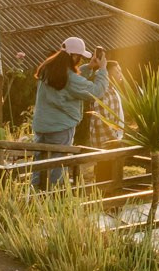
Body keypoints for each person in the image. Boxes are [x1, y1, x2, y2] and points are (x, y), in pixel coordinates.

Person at [30, 36, 106, 190]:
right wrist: (102, 70)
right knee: (58, 167)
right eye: (79, 57)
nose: (79, 61)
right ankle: (54, 200)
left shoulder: (48, 69)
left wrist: (89, 68)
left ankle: (34, 196)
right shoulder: (68, 78)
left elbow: (71, 81)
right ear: (74, 56)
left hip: (42, 127)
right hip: (61, 128)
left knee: (39, 164)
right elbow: (95, 91)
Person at [81, 57, 128, 189]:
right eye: (117, 72)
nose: (120, 75)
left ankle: (111, 206)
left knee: (112, 175)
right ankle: (107, 206)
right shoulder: (103, 91)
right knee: (106, 175)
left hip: (113, 139)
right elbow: (101, 118)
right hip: (107, 141)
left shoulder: (112, 90)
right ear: (107, 74)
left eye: (120, 71)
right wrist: (114, 139)